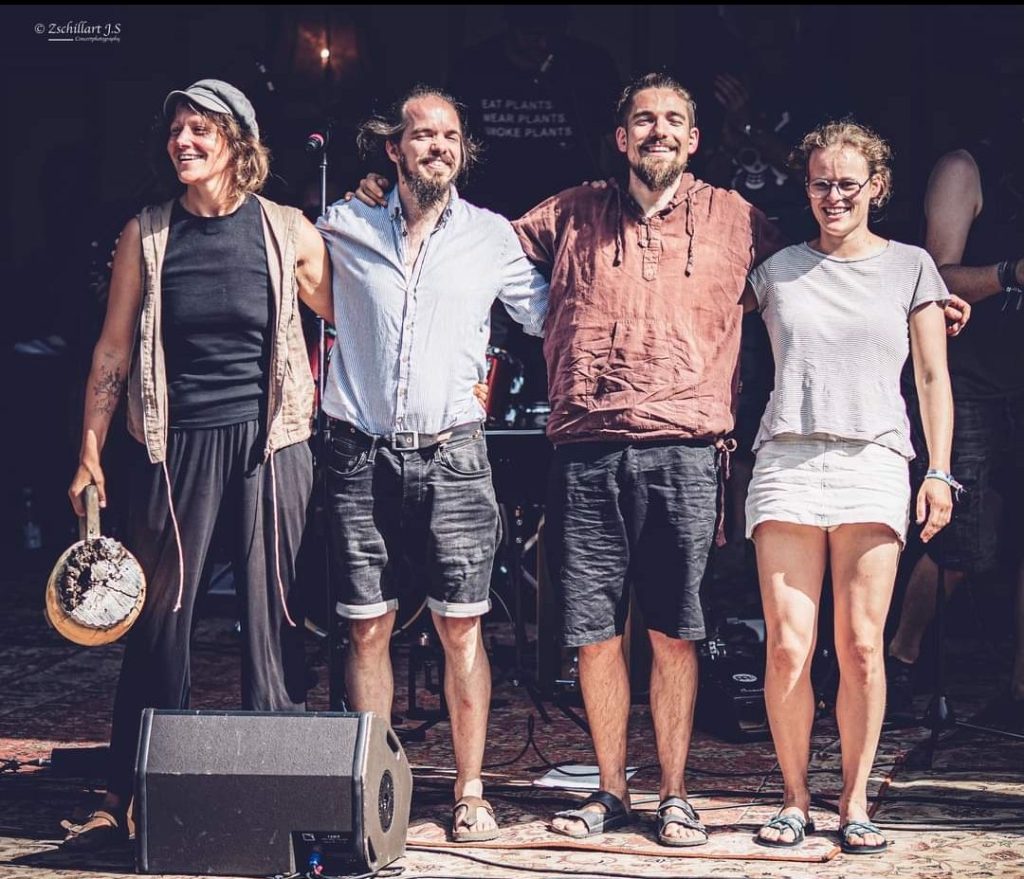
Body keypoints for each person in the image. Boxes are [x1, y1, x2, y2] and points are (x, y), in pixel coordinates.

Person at [512, 72, 783, 846]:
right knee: (595, 633)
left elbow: (815, 273)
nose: (656, 130)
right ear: (621, 136)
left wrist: (915, 305)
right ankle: (609, 789)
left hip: (686, 450)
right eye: (642, 119)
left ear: (693, 140)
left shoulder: (738, 219)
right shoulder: (570, 211)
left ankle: (673, 793)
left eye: (671, 120)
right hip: (587, 448)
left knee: (674, 630)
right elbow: (474, 251)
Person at [61, 79, 332, 848]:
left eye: (201, 129)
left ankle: (280, 796)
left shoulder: (286, 228)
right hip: (174, 444)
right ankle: (128, 794)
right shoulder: (147, 233)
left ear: (238, 142)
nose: (183, 140)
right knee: (160, 619)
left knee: (272, 617)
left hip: (271, 442)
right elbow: (113, 349)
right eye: (176, 129)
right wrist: (90, 447)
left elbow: (351, 314)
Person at [316, 85, 548, 844]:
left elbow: (550, 314)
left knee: (462, 628)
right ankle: (372, 788)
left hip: (454, 455)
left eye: (450, 136)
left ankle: (470, 789)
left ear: (463, 150)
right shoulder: (342, 223)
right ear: (394, 148)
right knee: (367, 629)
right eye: (422, 135)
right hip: (360, 453)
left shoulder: (491, 236)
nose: (438, 147)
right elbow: (286, 274)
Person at [744, 120, 954, 854]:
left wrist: (938, 470)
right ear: (804, 189)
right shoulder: (775, 270)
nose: (833, 196)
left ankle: (856, 800)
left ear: (877, 186)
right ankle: (794, 798)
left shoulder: (912, 267)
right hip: (787, 460)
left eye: (847, 184)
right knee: (787, 647)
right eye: (820, 184)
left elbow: (932, 377)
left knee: (862, 644)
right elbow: (707, 323)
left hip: (873, 458)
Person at [886, 111, 1024, 725]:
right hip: (972, 383)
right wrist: (1011, 273)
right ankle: (901, 657)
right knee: (962, 539)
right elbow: (933, 276)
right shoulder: (967, 168)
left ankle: (1018, 690)